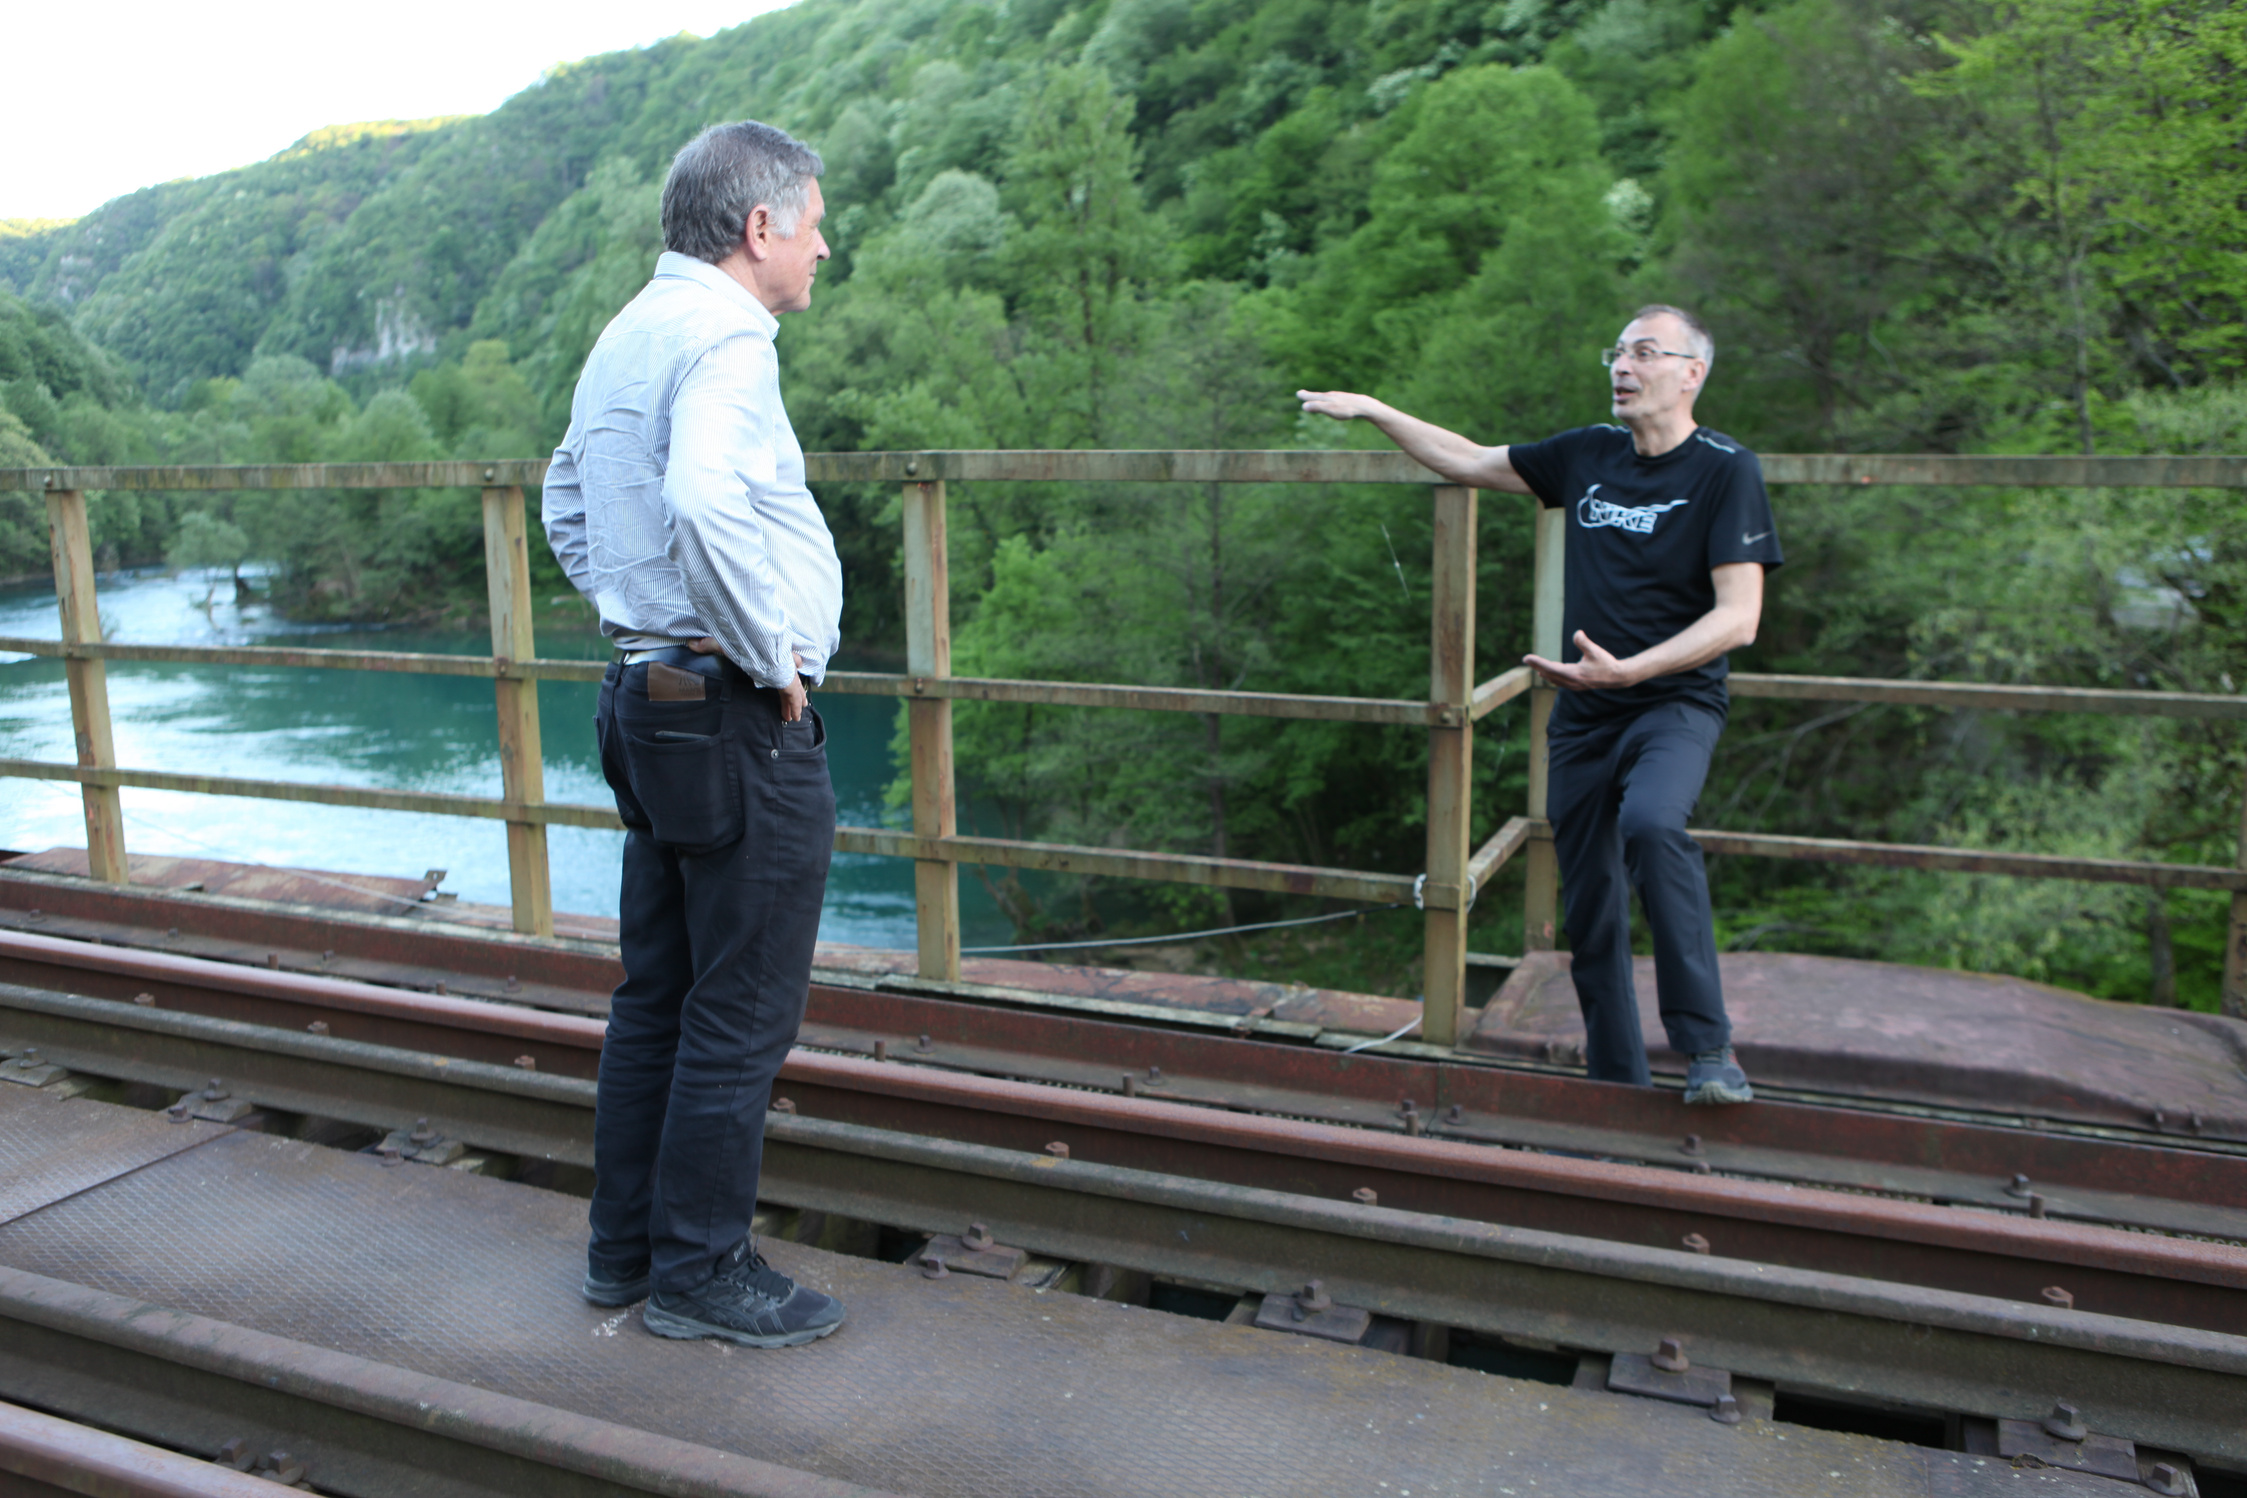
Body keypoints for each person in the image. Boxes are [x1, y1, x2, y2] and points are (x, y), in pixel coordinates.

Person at [1298, 304, 1779, 1104]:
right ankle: (1616, 1084)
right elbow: (1466, 460)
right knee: (1587, 901)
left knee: (1654, 824)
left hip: (1672, 705)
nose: (1622, 367)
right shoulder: (1586, 454)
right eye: (1616, 352)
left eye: (1644, 353)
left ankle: (1708, 1053)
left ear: (1691, 373)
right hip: (1585, 711)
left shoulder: (1726, 470)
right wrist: (1375, 411)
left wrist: (1631, 672)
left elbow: (1739, 618)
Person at [542, 119, 848, 1344]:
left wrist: (636, 617)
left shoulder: (631, 328)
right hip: (724, 709)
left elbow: (567, 491)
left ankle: (627, 1256)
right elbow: (704, 497)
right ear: (759, 227)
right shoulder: (728, 336)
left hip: (644, 695)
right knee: (743, 1007)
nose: (826, 246)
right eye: (815, 223)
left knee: (658, 993)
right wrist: (769, 661)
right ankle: (702, 1275)